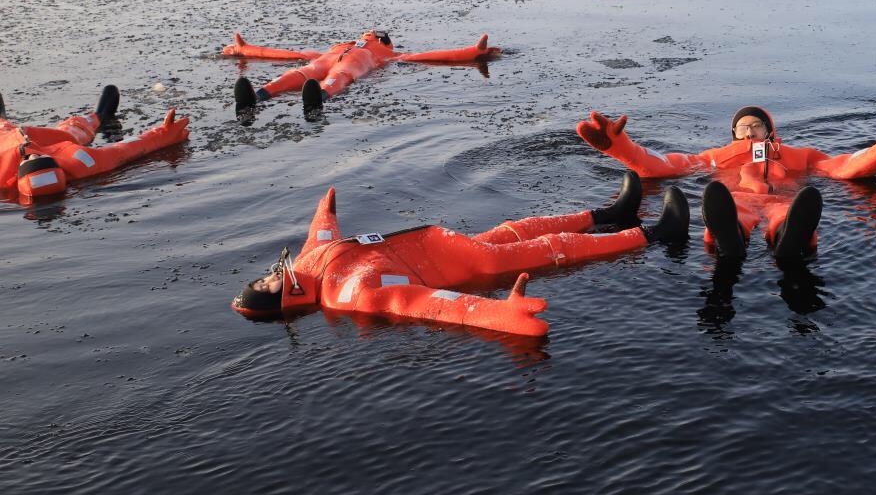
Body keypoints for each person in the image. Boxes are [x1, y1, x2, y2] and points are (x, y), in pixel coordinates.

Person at [230, 171, 688, 338]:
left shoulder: (308, 262)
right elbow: (434, 305)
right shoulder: (353, 295)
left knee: (518, 228)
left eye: (264, 276)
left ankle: (610, 212)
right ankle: (653, 235)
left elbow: (323, 234)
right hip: (472, 265)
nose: (272, 274)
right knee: (549, 248)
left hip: (446, 243)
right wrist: (502, 315)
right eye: (268, 285)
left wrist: (325, 211)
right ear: (285, 301)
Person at [575, 105, 876, 263]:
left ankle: (788, 238)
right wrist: (621, 147)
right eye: (743, 127)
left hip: (784, 196)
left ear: (770, 131)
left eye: (756, 126)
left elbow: (846, 167)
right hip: (737, 197)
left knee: (788, 211)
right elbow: (661, 166)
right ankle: (728, 236)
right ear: (732, 133)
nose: (749, 131)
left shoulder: (799, 154)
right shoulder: (716, 156)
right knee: (730, 207)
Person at [223, 30, 502, 113]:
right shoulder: (344, 46)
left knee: (332, 76)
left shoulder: (388, 54)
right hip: (332, 60)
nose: (371, 32)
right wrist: (245, 49)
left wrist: (471, 52)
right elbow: (291, 54)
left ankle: (316, 96)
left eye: (377, 33)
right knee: (299, 73)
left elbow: (427, 57)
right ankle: (259, 95)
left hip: (347, 63)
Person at [1, 86, 190, 204]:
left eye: (31, 161)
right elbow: (123, 150)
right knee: (76, 130)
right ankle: (99, 115)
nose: (34, 156)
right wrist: (164, 133)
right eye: (42, 161)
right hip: (56, 143)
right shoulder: (81, 164)